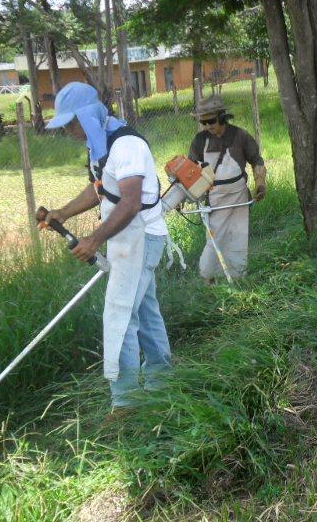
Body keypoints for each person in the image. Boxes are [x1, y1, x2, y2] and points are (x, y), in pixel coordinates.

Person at [43, 82, 171, 411]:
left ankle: (126, 403)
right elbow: (99, 188)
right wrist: (62, 213)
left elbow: (130, 203)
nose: (68, 130)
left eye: (71, 122)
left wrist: (94, 239)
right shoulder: (99, 142)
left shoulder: (126, 144)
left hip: (142, 236)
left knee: (120, 316)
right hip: (125, 236)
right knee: (145, 312)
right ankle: (162, 380)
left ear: (88, 116)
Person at [188, 95, 267, 283]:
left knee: (238, 239)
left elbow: (257, 160)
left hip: (239, 199)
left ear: (221, 117)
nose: (207, 126)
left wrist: (261, 184)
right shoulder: (199, 141)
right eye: (203, 122)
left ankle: (238, 280)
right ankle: (209, 279)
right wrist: (185, 197)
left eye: (211, 121)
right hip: (215, 200)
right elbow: (190, 171)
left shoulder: (240, 136)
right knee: (213, 241)